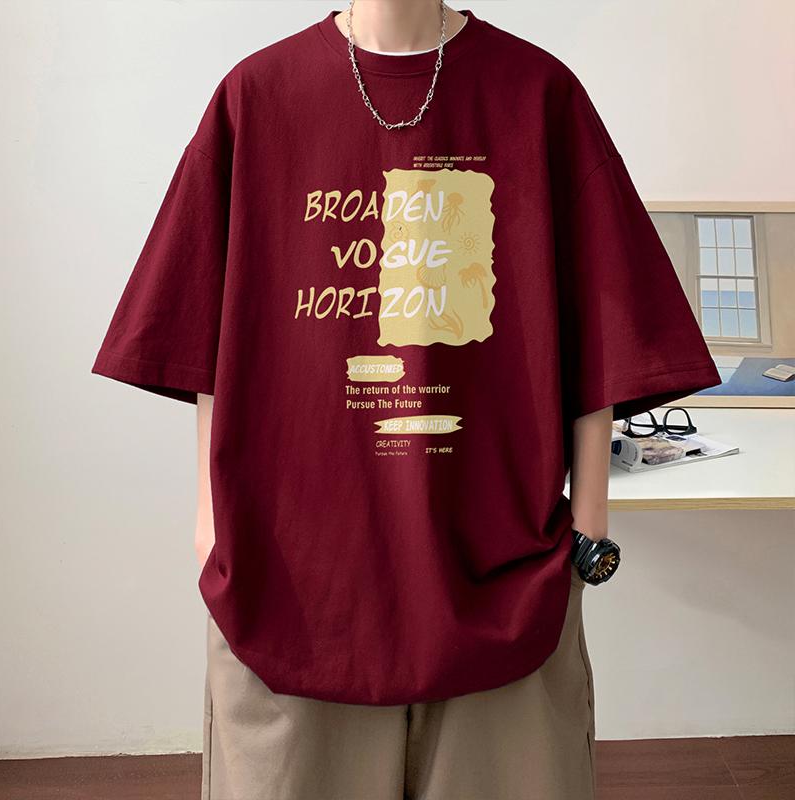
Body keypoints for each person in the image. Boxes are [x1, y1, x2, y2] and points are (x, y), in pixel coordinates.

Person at [91, 2, 722, 798]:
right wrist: (210, 520)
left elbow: (606, 317)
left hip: (501, 577)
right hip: (292, 582)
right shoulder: (257, 95)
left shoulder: (538, 93)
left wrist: (588, 523)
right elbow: (202, 331)